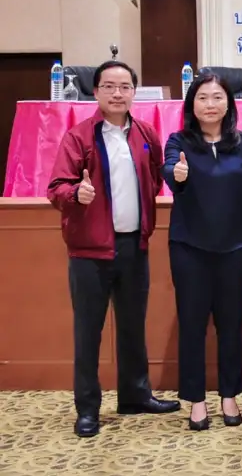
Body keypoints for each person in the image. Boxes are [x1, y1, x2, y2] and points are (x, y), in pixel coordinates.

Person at [47, 60, 180, 437]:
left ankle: (135, 396)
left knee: (133, 326)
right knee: (88, 332)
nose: (117, 93)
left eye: (125, 87)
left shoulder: (146, 133)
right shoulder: (79, 136)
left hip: (134, 245)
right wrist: (77, 192)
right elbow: (55, 188)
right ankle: (88, 408)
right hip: (89, 251)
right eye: (109, 86)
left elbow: (154, 178)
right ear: (95, 92)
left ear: (135, 92)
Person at [162, 73, 242, 431]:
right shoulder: (179, 141)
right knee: (192, 325)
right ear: (192, 104)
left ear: (229, 103)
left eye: (217, 97)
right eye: (203, 98)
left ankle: (229, 395)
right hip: (189, 248)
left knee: (231, 324)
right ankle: (196, 400)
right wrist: (177, 174)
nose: (210, 104)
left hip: (234, 248)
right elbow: (170, 169)